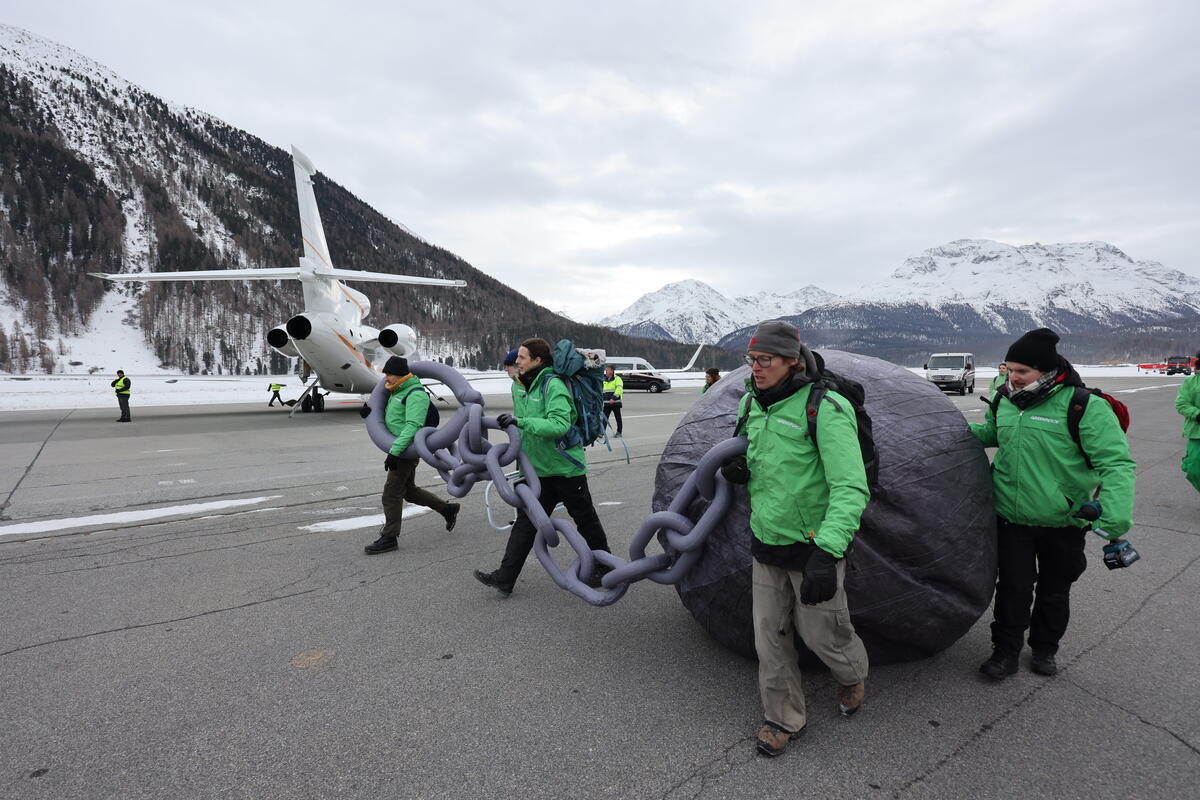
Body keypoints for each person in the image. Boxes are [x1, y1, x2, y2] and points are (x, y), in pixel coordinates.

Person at [722, 320, 870, 758]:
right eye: (751, 360)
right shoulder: (751, 402)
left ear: (792, 360)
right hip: (767, 542)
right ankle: (782, 717)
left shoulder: (825, 407)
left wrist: (828, 551)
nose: (755, 369)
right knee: (769, 636)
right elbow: (751, 451)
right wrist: (741, 470)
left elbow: (850, 486)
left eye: (764, 361)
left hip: (814, 547)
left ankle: (852, 675)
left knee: (824, 634)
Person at [969, 328, 1135, 680]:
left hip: (1064, 520)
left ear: (1045, 372)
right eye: (1008, 369)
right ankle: (1006, 652)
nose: (1012, 377)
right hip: (1012, 518)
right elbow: (993, 434)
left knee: (1054, 591)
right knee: (1013, 588)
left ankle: (1045, 649)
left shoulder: (1083, 406)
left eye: (1021, 371)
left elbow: (1116, 464)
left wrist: (1114, 516)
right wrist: (947, 428)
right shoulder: (1005, 401)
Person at [474, 337, 612, 595]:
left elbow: (560, 425)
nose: (517, 362)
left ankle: (606, 566)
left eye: (522, 358)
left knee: (585, 519)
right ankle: (506, 576)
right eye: (517, 359)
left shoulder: (553, 385)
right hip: (536, 471)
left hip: (565, 469)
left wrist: (521, 422)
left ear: (537, 360)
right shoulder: (520, 386)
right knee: (526, 522)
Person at [364, 356, 461, 555]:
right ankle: (447, 509)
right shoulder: (397, 391)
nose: (386, 379)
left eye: (389, 374)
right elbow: (395, 418)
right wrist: (369, 412)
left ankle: (389, 537)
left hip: (404, 450)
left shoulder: (415, 394)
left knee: (391, 494)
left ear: (399, 375)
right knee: (408, 491)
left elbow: (413, 426)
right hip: (399, 448)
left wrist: (395, 451)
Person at [1175, 351, 1200, 494]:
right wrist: (1197, 414)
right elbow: (1182, 404)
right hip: (1196, 432)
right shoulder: (1190, 382)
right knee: (1194, 470)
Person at [602, 364, 623, 436]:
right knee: (604, 418)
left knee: (618, 418)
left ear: (611, 371)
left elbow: (619, 389)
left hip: (615, 402)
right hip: (607, 403)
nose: (606, 372)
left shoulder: (617, 379)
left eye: (607, 370)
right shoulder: (604, 380)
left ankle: (619, 432)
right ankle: (602, 432)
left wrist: (613, 398)